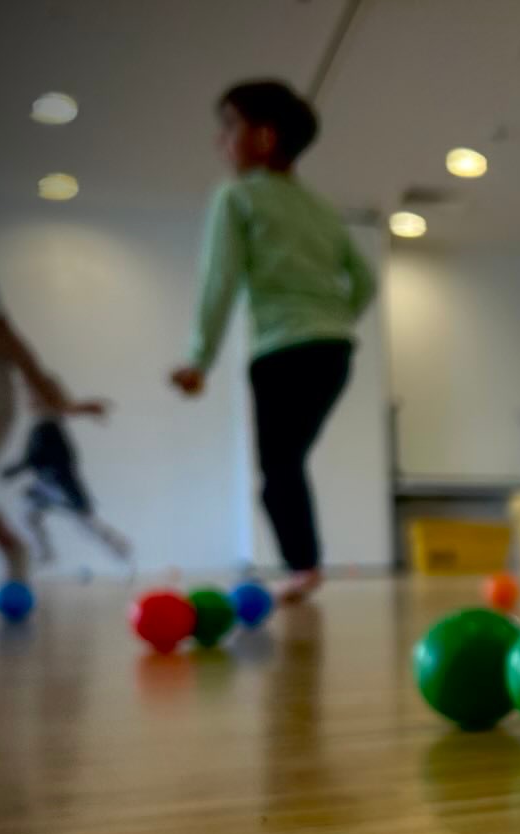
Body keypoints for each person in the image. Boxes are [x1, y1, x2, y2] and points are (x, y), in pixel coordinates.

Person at [170, 79, 375, 603]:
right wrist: (334, 320)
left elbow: (221, 279)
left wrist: (199, 358)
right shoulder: (323, 209)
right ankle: (304, 565)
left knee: (278, 467)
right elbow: (367, 280)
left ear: (263, 137)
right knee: (288, 462)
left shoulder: (236, 196)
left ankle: (303, 568)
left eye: (228, 128)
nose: (220, 142)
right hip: (335, 352)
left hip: (283, 352)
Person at [0, 262, 110, 580]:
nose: (33, 401)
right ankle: (16, 547)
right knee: (40, 512)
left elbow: (10, 341)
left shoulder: (46, 430)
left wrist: (68, 405)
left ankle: (16, 548)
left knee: (77, 519)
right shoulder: (42, 429)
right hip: (52, 486)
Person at [2, 406, 132, 567]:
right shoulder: (42, 428)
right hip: (48, 484)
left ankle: (120, 548)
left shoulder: (47, 428)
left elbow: (38, 457)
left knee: (84, 522)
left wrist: (15, 470)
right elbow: (35, 457)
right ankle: (43, 553)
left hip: (60, 484)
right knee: (28, 510)